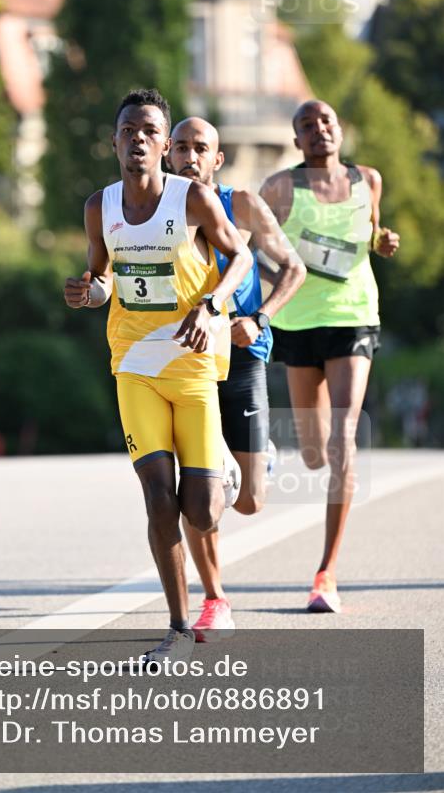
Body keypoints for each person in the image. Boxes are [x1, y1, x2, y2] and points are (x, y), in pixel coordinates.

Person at [64, 89, 252, 662]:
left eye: (149, 131)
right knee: (156, 497)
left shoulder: (191, 198)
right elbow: (102, 277)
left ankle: (220, 469)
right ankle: (175, 629)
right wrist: (87, 292)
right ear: (115, 140)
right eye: (127, 130)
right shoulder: (100, 206)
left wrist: (213, 305)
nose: (137, 139)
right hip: (134, 366)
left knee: (202, 510)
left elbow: (240, 256)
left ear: (163, 144)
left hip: (192, 363)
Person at [167, 117, 306, 637]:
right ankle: (215, 598)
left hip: (243, 355)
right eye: (180, 146)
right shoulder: (152, 210)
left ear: (216, 159)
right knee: (195, 489)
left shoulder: (241, 203)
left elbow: (294, 268)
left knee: (247, 500)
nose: (189, 156)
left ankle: (254, 461)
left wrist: (260, 317)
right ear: (166, 154)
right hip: (184, 359)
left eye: (200, 148)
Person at [260, 99, 399, 613]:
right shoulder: (279, 187)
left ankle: (326, 574)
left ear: (339, 129)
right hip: (298, 323)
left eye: (327, 122)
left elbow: (374, 231)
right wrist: (279, 286)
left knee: (344, 437)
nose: (319, 130)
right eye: (307, 126)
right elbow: (252, 247)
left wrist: (382, 243)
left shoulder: (369, 179)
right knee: (315, 451)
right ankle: (298, 453)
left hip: (354, 314)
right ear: (297, 140)